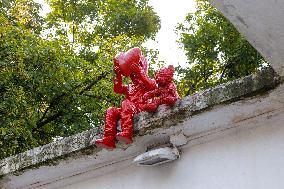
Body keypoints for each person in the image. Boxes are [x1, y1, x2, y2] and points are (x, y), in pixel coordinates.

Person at [95, 47, 156, 149]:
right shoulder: (129, 87)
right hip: (128, 109)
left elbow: (152, 86)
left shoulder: (146, 82)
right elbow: (118, 89)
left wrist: (140, 72)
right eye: (132, 74)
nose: (134, 76)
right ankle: (109, 138)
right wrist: (118, 76)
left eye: (135, 73)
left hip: (140, 107)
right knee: (111, 110)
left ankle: (127, 132)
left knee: (126, 103)